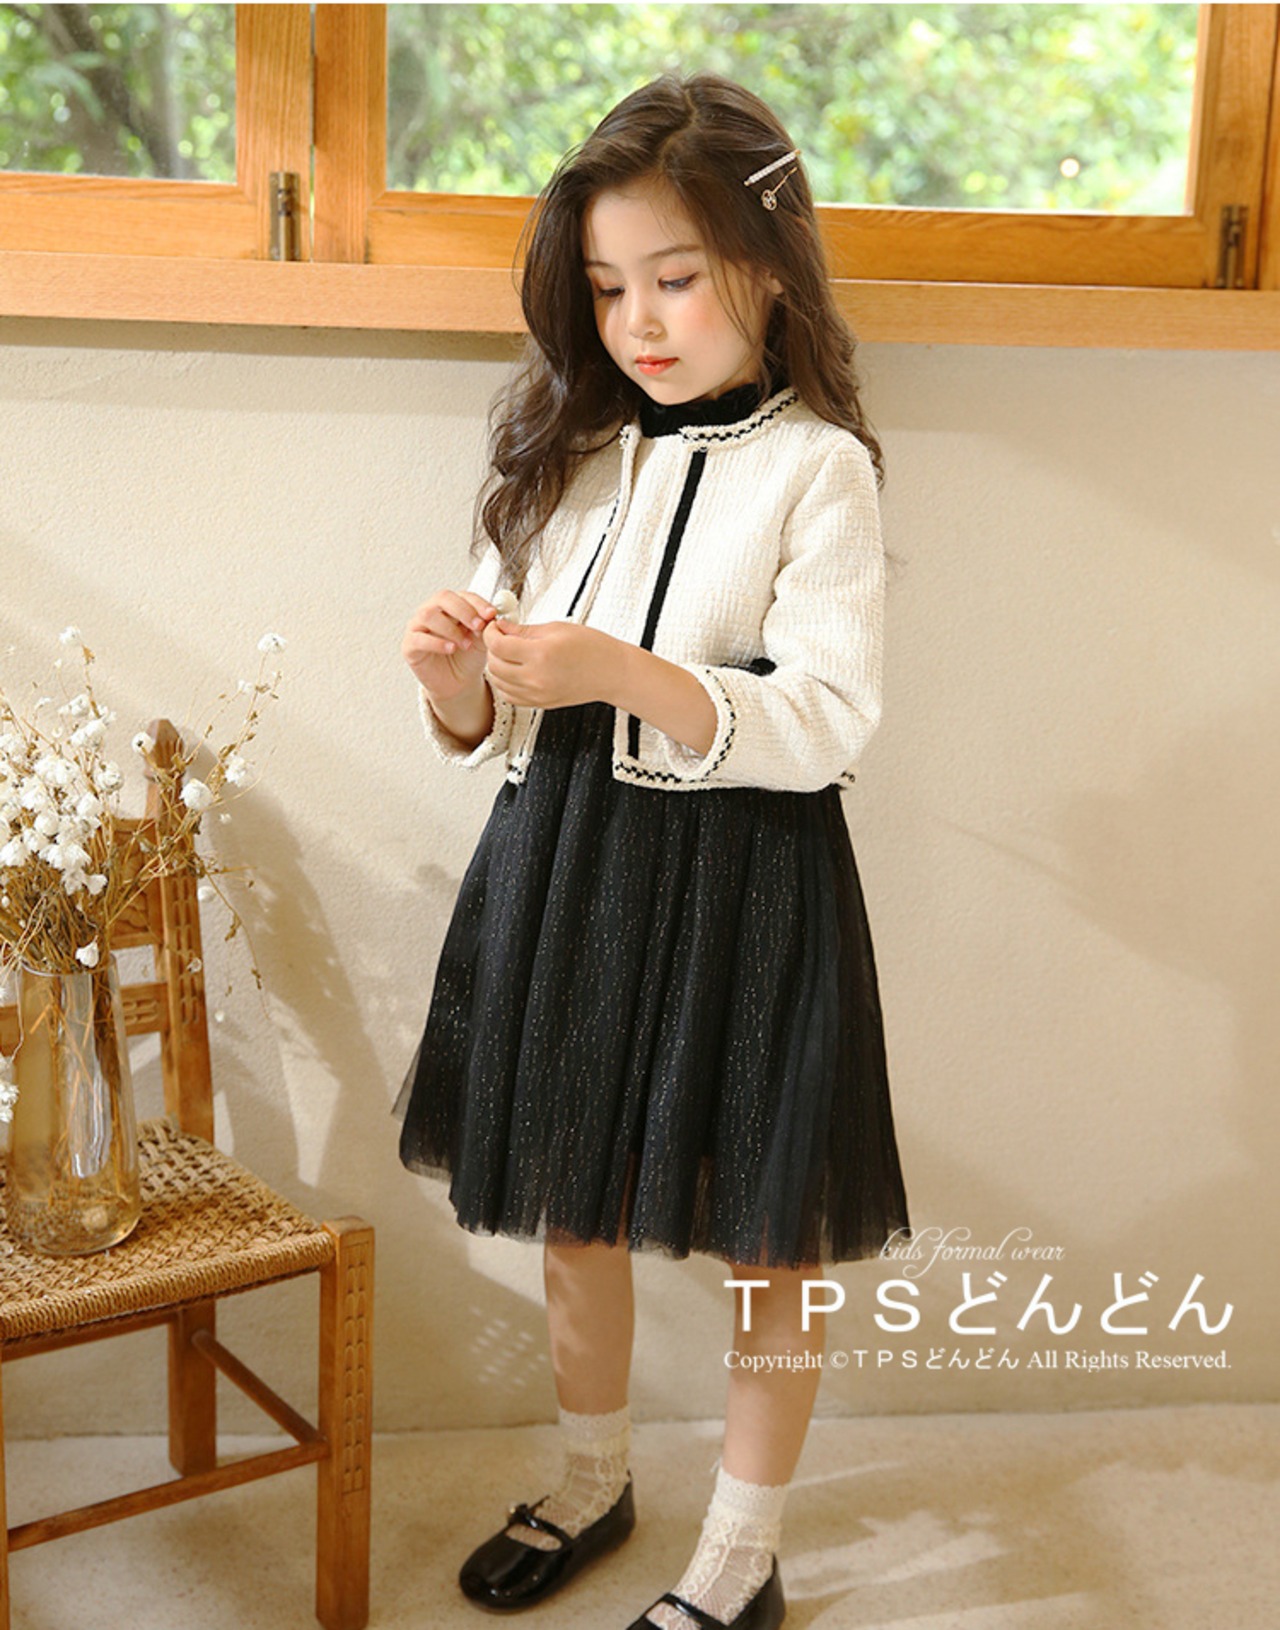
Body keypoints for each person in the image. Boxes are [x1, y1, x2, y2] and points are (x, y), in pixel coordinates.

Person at [396, 71, 911, 1630]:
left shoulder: (818, 468)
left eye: (676, 278)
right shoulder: (564, 454)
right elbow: (496, 715)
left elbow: (827, 717)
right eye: (611, 286)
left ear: (769, 265)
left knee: (768, 1238)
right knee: (575, 1203)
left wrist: (621, 671)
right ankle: (592, 1474)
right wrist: (455, 683)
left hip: (748, 882)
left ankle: (741, 1557)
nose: (640, 321)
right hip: (563, 864)